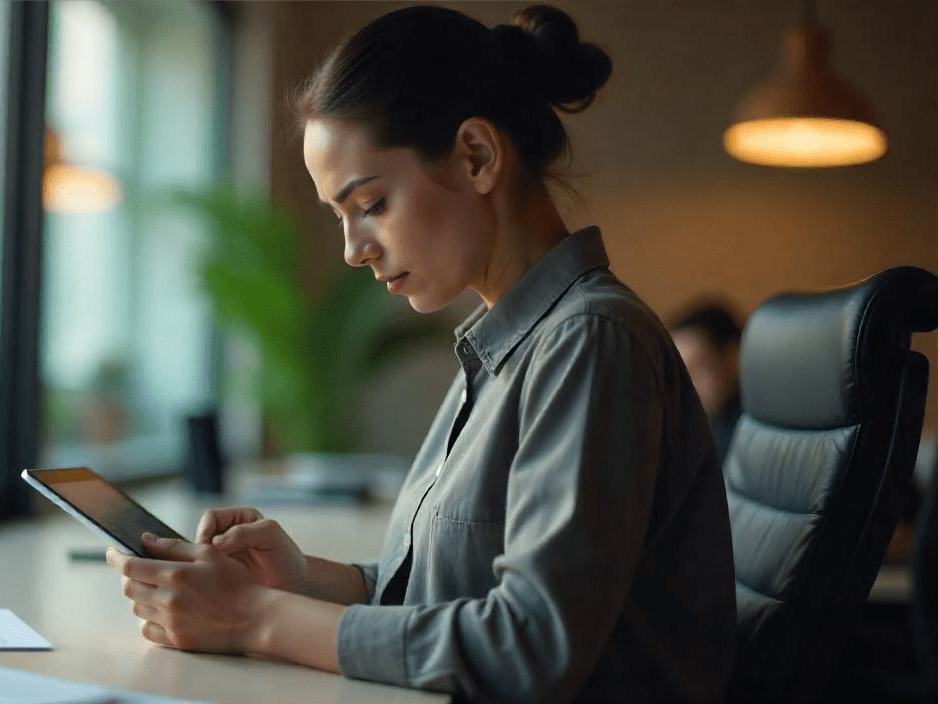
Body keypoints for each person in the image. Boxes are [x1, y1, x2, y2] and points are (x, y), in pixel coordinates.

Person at [106, 6, 737, 702]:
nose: (353, 250)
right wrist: (299, 581)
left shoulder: (590, 342)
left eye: (371, 204)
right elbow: (446, 592)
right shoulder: (507, 349)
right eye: (340, 217)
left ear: (477, 157)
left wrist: (253, 618)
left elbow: (530, 646)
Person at [669, 303, 744, 459]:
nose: (685, 386)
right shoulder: (705, 426)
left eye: (697, 368)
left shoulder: (744, 434)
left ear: (733, 358)